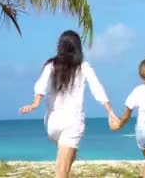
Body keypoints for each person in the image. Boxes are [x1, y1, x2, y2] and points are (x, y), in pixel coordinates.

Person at [20, 30, 117, 178]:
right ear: (78, 47)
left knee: (64, 164)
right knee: (61, 169)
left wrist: (35, 104)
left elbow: (41, 86)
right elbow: (97, 88)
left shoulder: (51, 65)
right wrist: (110, 111)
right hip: (72, 121)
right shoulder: (83, 66)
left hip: (52, 122)